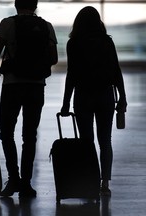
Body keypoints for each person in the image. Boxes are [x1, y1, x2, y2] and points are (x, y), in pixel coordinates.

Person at [0, 0, 58, 197]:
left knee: (7, 133)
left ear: (16, 4)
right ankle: (26, 183)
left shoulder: (7, 23)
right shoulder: (46, 26)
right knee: (30, 135)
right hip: (36, 86)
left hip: (12, 85)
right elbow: (54, 58)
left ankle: (13, 178)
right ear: (35, 5)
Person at [60, 6, 127, 196]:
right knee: (105, 141)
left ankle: (89, 181)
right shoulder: (106, 41)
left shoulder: (74, 43)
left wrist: (66, 102)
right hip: (105, 95)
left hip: (83, 96)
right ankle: (104, 184)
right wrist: (123, 96)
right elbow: (116, 70)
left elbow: (71, 74)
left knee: (86, 141)